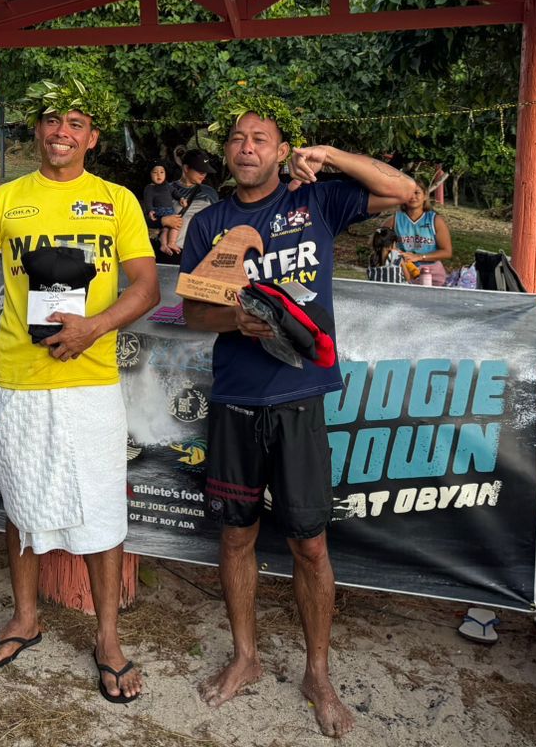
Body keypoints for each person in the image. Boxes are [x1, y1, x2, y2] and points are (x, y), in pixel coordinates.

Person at [180, 109, 414, 738]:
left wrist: (330, 155)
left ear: (282, 151)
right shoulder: (210, 223)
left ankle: (318, 675)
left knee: (310, 544)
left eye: (260, 139)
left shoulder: (316, 202)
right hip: (236, 396)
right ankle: (246, 657)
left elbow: (404, 191)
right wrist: (235, 321)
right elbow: (195, 313)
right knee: (236, 536)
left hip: (300, 396)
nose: (246, 148)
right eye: (237, 139)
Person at [0, 79, 160, 703]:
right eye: (52, 120)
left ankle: (108, 640)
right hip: (21, 379)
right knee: (21, 501)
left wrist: (95, 326)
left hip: (90, 380)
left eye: (76, 122)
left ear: (92, 137)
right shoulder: (5, 200)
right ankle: (25, 618)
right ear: (37, 130)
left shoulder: (116, 201)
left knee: (102, 508)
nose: (62, 131)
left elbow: (147, 289)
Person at [391, 181, 452, 286]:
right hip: (404, 271)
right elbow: (378, 241)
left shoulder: (435, 220)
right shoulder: (395, 219)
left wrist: (419, 257)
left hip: (432, 273)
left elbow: (447, 252)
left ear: (425, 196)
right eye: (409, 193)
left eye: (417, 192)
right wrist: (394, 252)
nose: (412, 196)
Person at [159, 148, 219, 244]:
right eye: (200, 171)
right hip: (172, 249)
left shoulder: (209, 193)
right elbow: (148, 219)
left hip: (200, 249)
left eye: (205, 171)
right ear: (186, 168)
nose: (204, 175)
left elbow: (217, 222)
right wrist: (163, 220)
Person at [141, 163, 185, 256]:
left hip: (170, 210)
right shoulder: (149, 188)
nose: (159, 175)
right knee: (174, 225)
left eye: (162, 172)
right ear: (150, 174)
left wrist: (181, 198)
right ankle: (168, 243)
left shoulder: (167, 186)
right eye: (155, 172)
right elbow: (148, 200)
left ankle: (167, 244)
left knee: (170, 227)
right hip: (159, 211)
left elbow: (175, 192)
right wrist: (150, 211)